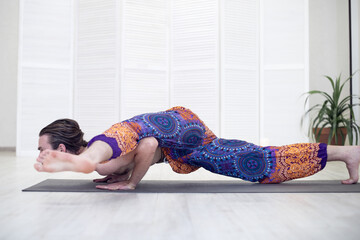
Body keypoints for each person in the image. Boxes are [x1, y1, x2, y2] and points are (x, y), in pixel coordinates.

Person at [35, 106, 360, 191]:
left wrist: (131, 183)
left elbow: (147, 144)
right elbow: (137, 148)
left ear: (62, 147)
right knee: (250, 155)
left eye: (44, 150)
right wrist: (122, 174)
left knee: (260, 165)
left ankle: (347, 153)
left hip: (180, 135)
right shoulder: (104, 148)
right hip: (179, 123)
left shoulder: (100, 152)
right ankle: (346, 153)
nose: (40, 155)